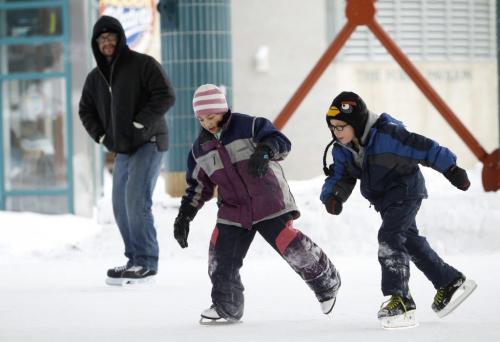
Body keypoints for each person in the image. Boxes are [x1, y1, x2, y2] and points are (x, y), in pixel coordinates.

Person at [173, 84, 341, 324]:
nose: (207, 123)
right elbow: (198, 187)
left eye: (211, 117)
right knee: (220, 258)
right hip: (233, 209)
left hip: (268, 200)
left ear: (223, 110)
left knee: (290, 244)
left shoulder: (249, 126)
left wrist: (264, 151)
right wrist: (184, 216)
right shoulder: (199, 150)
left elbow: (281, 142)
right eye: (201, 119)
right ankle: (227, 305)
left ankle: (327, 283)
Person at [320, 91, 477, 329]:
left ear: (357, 122)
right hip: (385, 201)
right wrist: (333, 196)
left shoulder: (388, 134)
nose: (336, 132)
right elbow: (341, 176)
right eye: (333, 127)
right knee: (409, 241)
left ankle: (401, 300)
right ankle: (450, 282)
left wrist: (452, 169)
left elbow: (425, 148)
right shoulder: (342, 149)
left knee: (390, 237)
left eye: (341, 126)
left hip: (406, 190)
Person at [78, 16, 175, 286]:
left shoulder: (142, 64)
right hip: (122, 147)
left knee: (135, 200)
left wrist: (139, 122)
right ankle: (134, 260)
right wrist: (100, 135)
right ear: (96, 44)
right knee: (120, 205)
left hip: (150, 141)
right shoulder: (95, 78)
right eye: (102, 39)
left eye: (111, 37)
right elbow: (85, 110)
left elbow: (165, 94)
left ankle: (146, 262)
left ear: (120, 39)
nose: (107, 42)